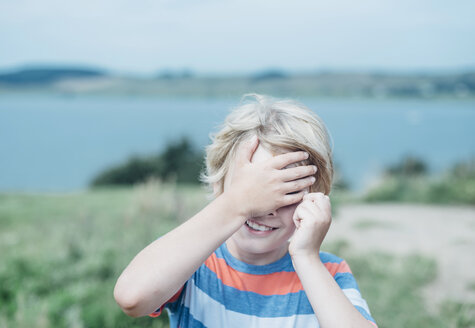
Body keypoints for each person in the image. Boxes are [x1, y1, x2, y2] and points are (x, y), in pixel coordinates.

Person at [114, 94, 377, 327]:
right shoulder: (191, 259)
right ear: (219, 183)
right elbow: (131, 297)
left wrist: (306, 257)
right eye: (252, 189)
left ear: (314, 200)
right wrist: (236, 205)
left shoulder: (328, 272)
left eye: (287, 191)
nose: (266, 208)